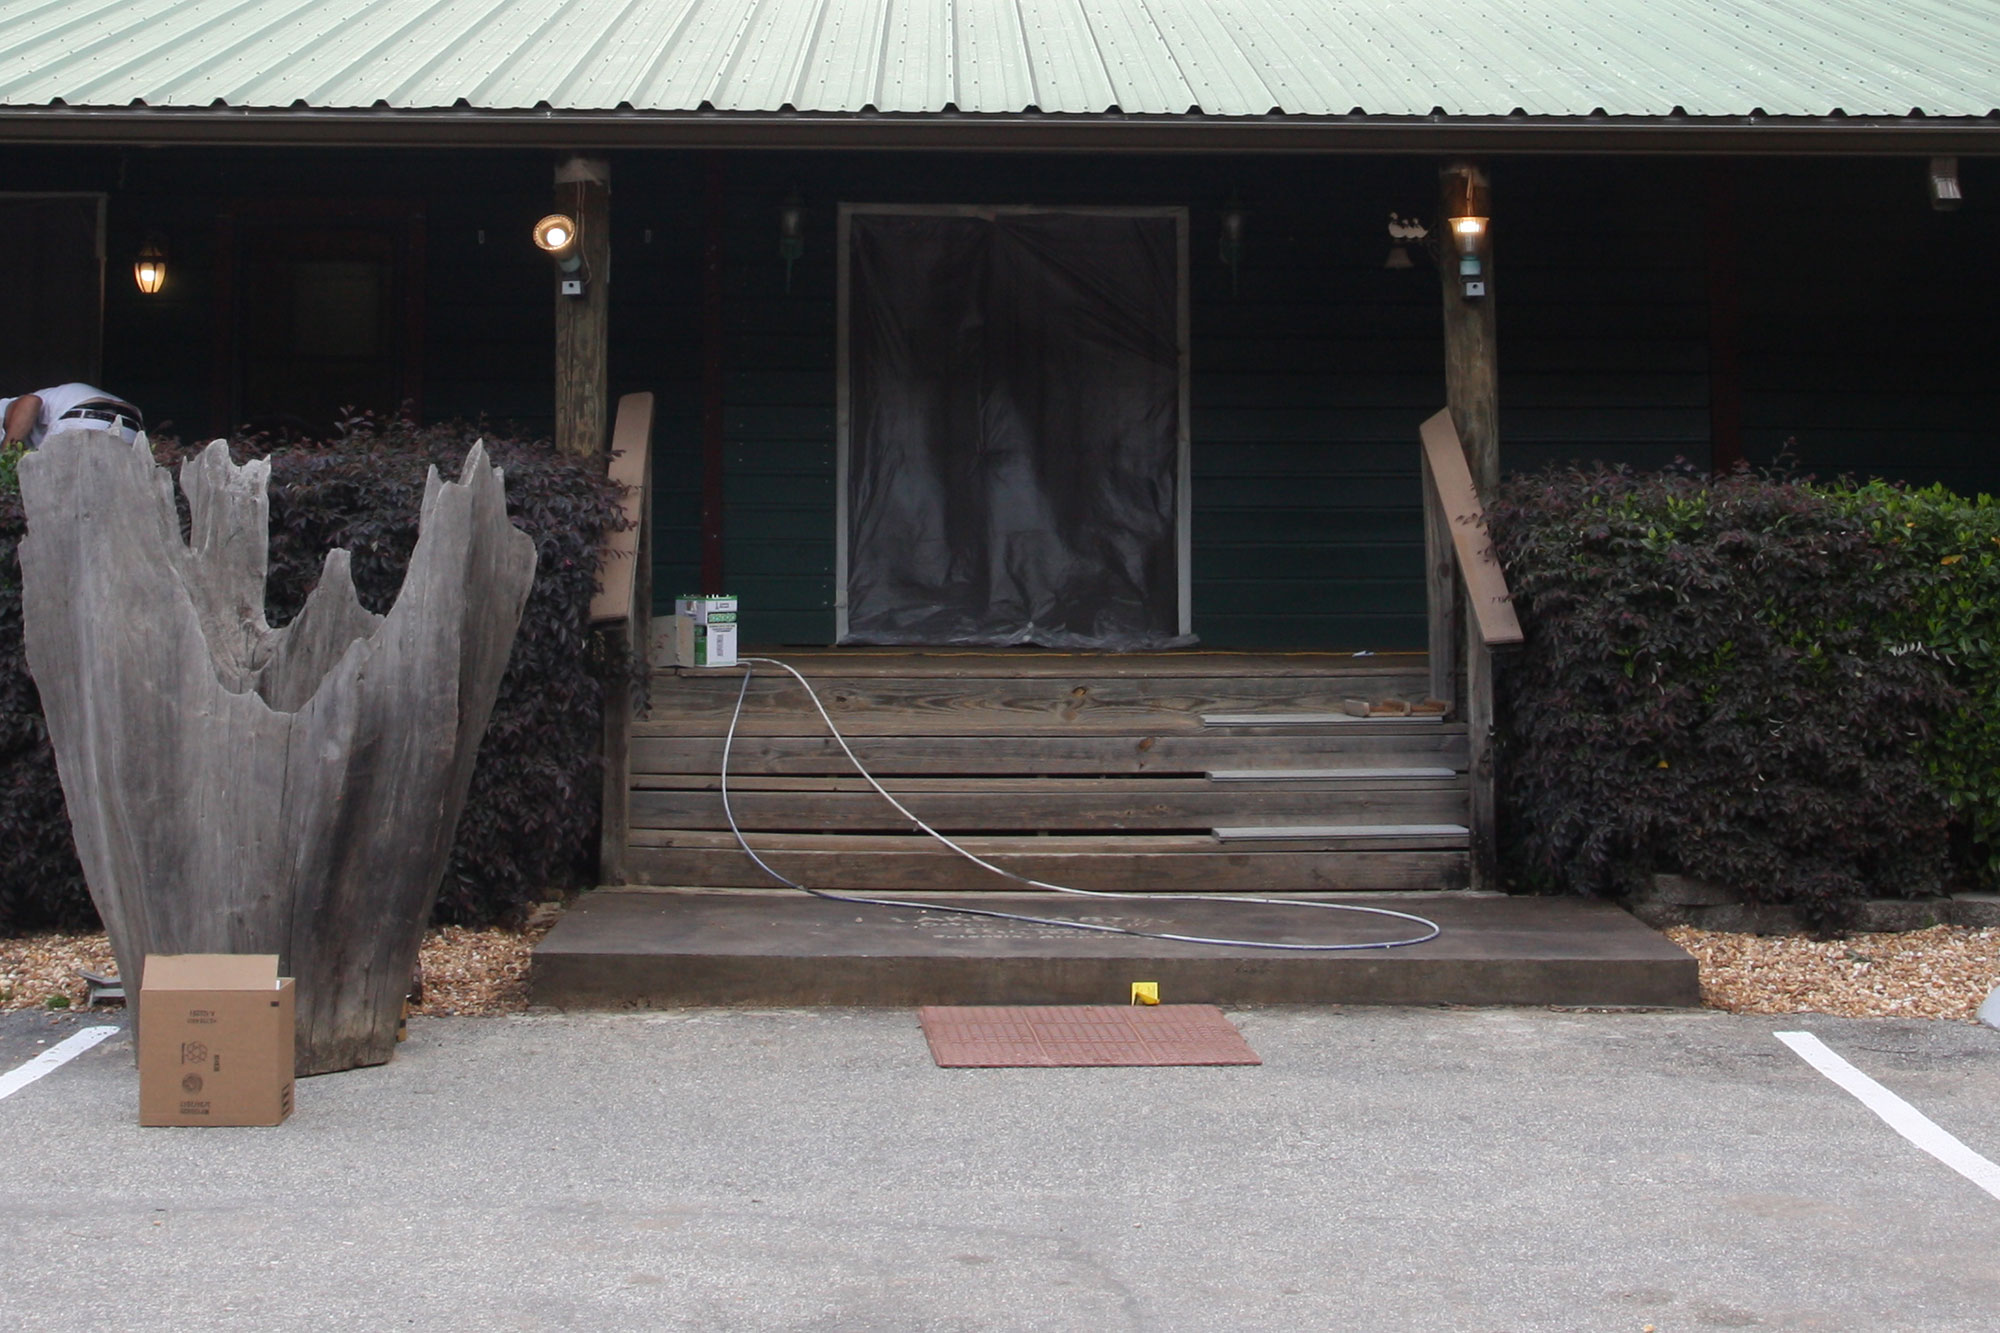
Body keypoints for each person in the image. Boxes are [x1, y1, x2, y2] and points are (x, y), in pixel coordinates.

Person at [1, 382, 145, 450]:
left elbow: (30, 403)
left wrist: (6, 457)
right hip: (131, 425)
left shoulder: (5, 408)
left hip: (82, 418)